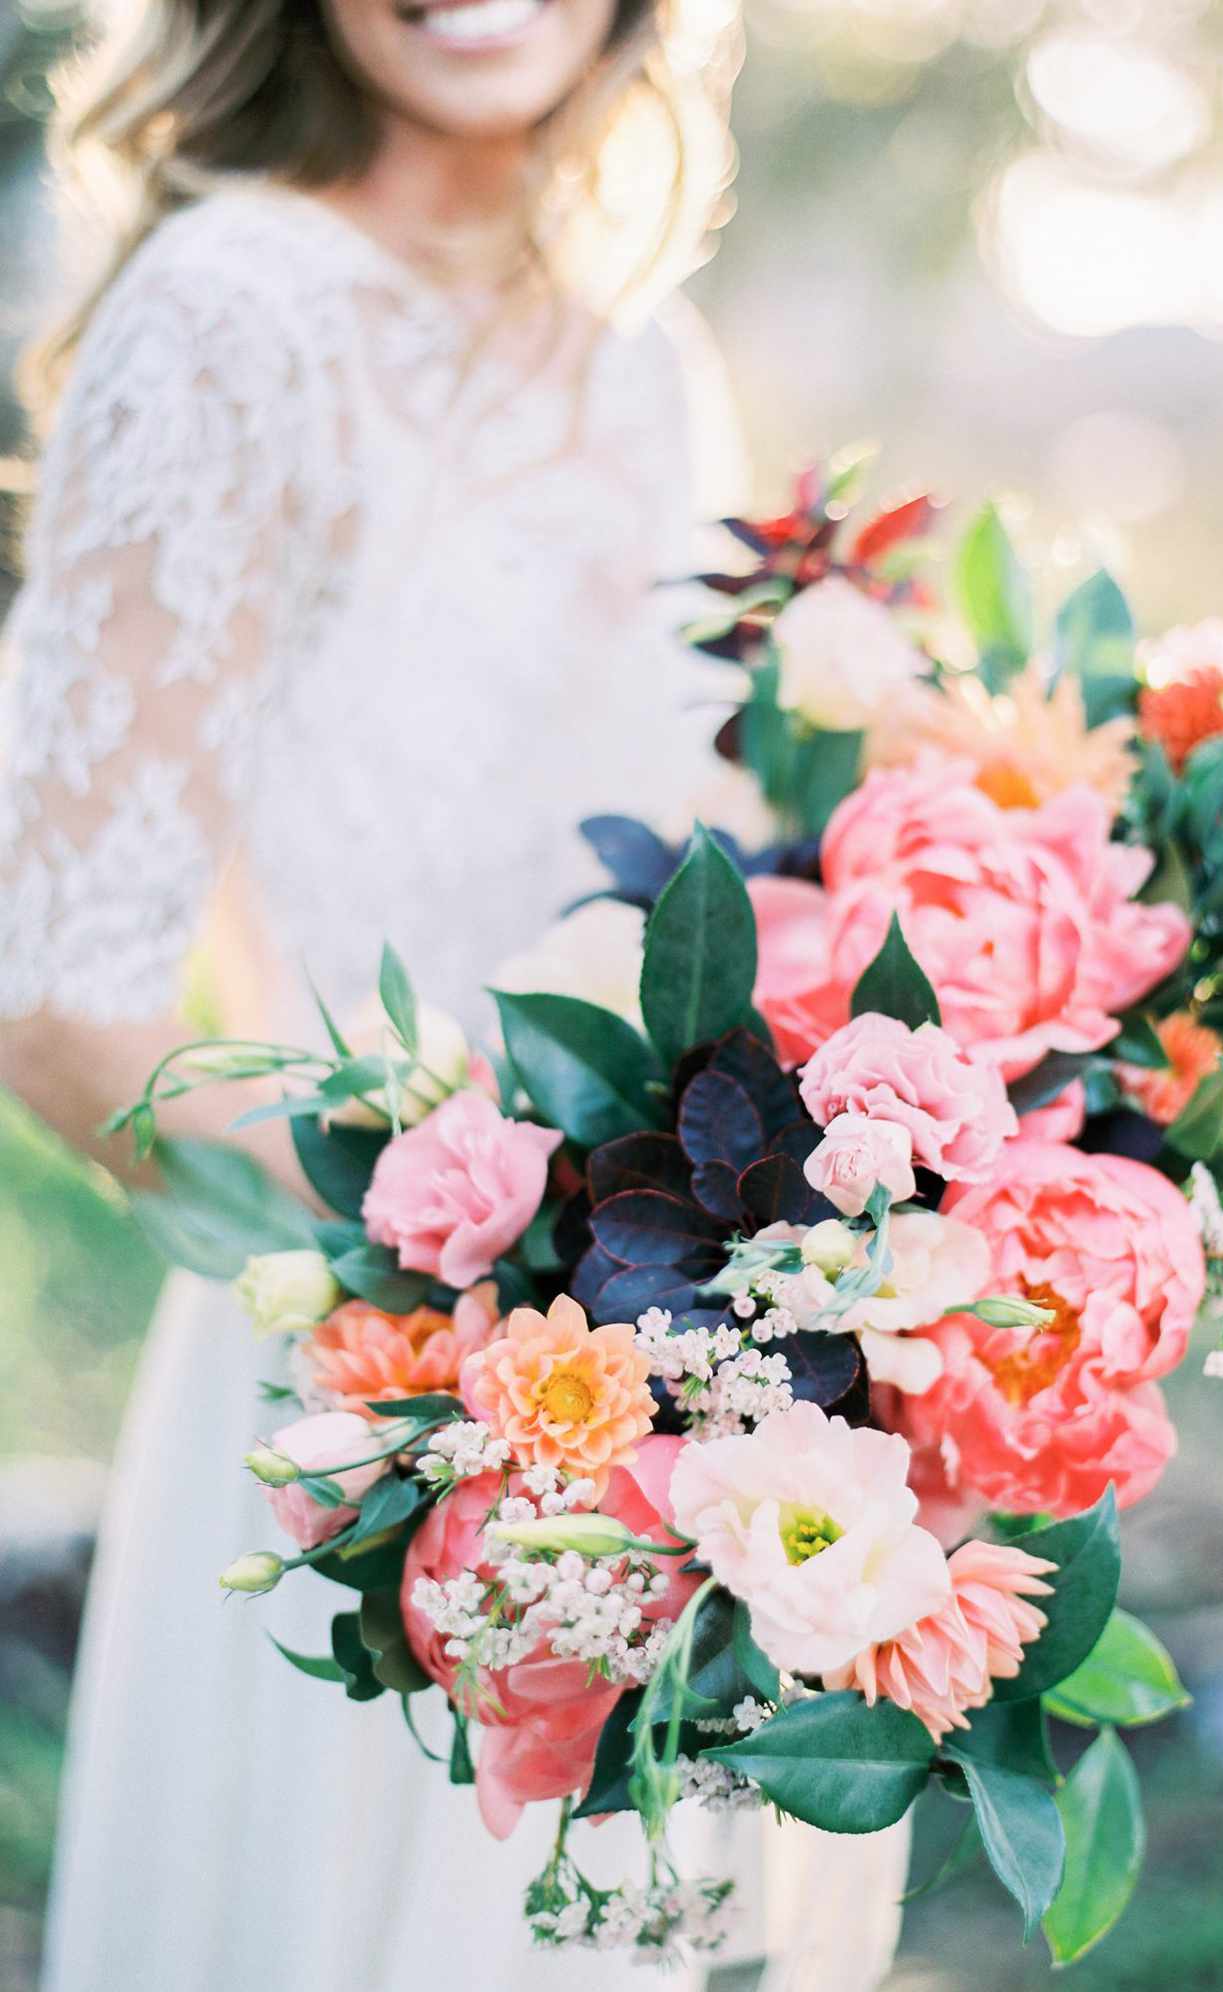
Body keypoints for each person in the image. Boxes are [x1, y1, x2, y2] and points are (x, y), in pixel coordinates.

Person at [0, 1, 759, 1984]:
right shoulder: (232, 311)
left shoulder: (651, 357)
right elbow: (68, 1012)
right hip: (376, 1400)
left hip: (710, 1395)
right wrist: (486, 1344)